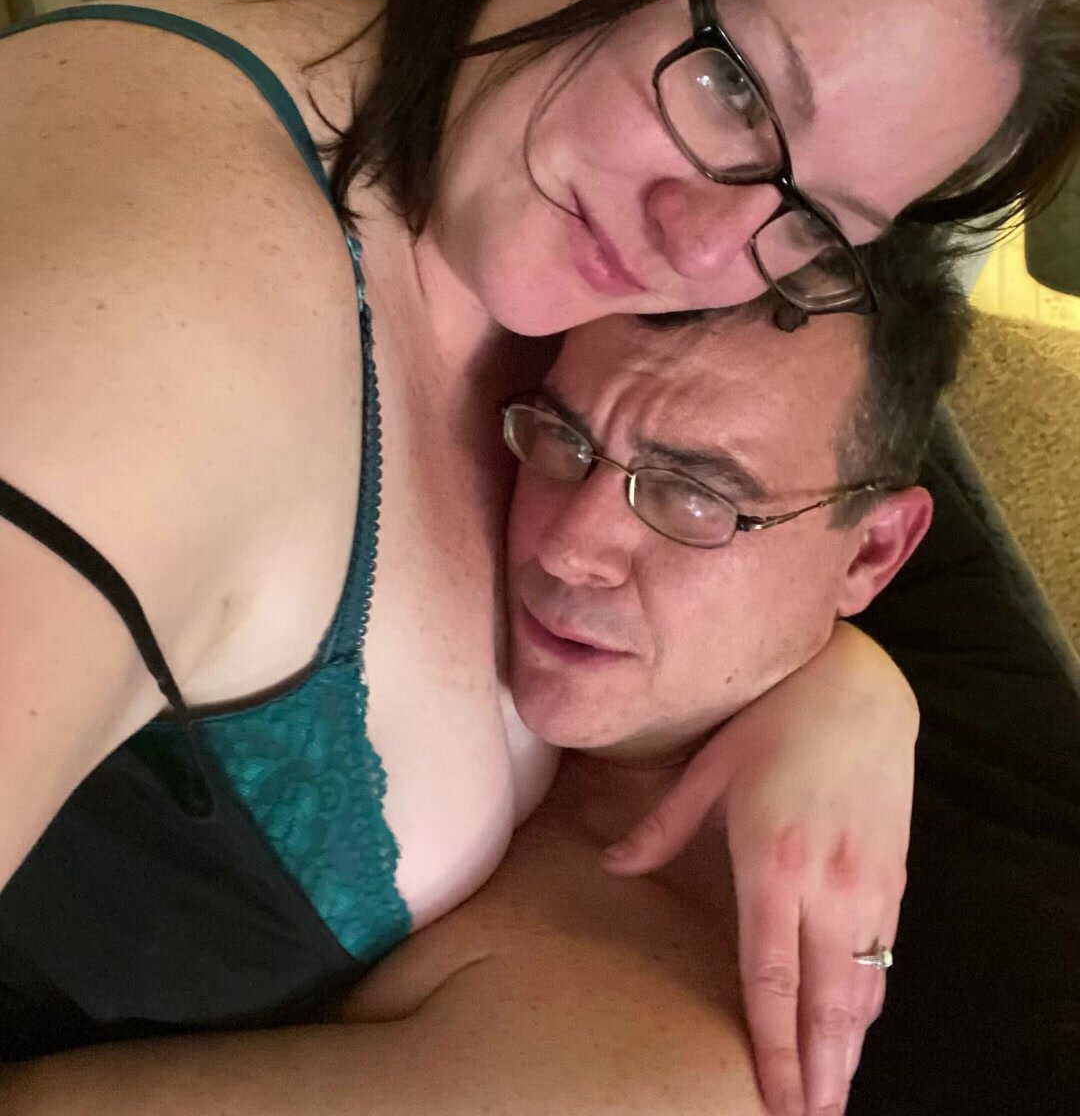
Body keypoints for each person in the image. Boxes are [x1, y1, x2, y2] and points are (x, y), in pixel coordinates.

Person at [1, 0, 1079, 1116]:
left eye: (823, 217)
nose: (707, 248)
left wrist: (847, 681)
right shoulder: (135, 339)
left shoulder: (537, 230)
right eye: (734, 89)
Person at [10, 230, 1073, 1116]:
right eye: (567, 442)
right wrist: (856, 681)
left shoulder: (647, 1062)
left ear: (874, 552)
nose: (567, 549)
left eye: (695, 498)